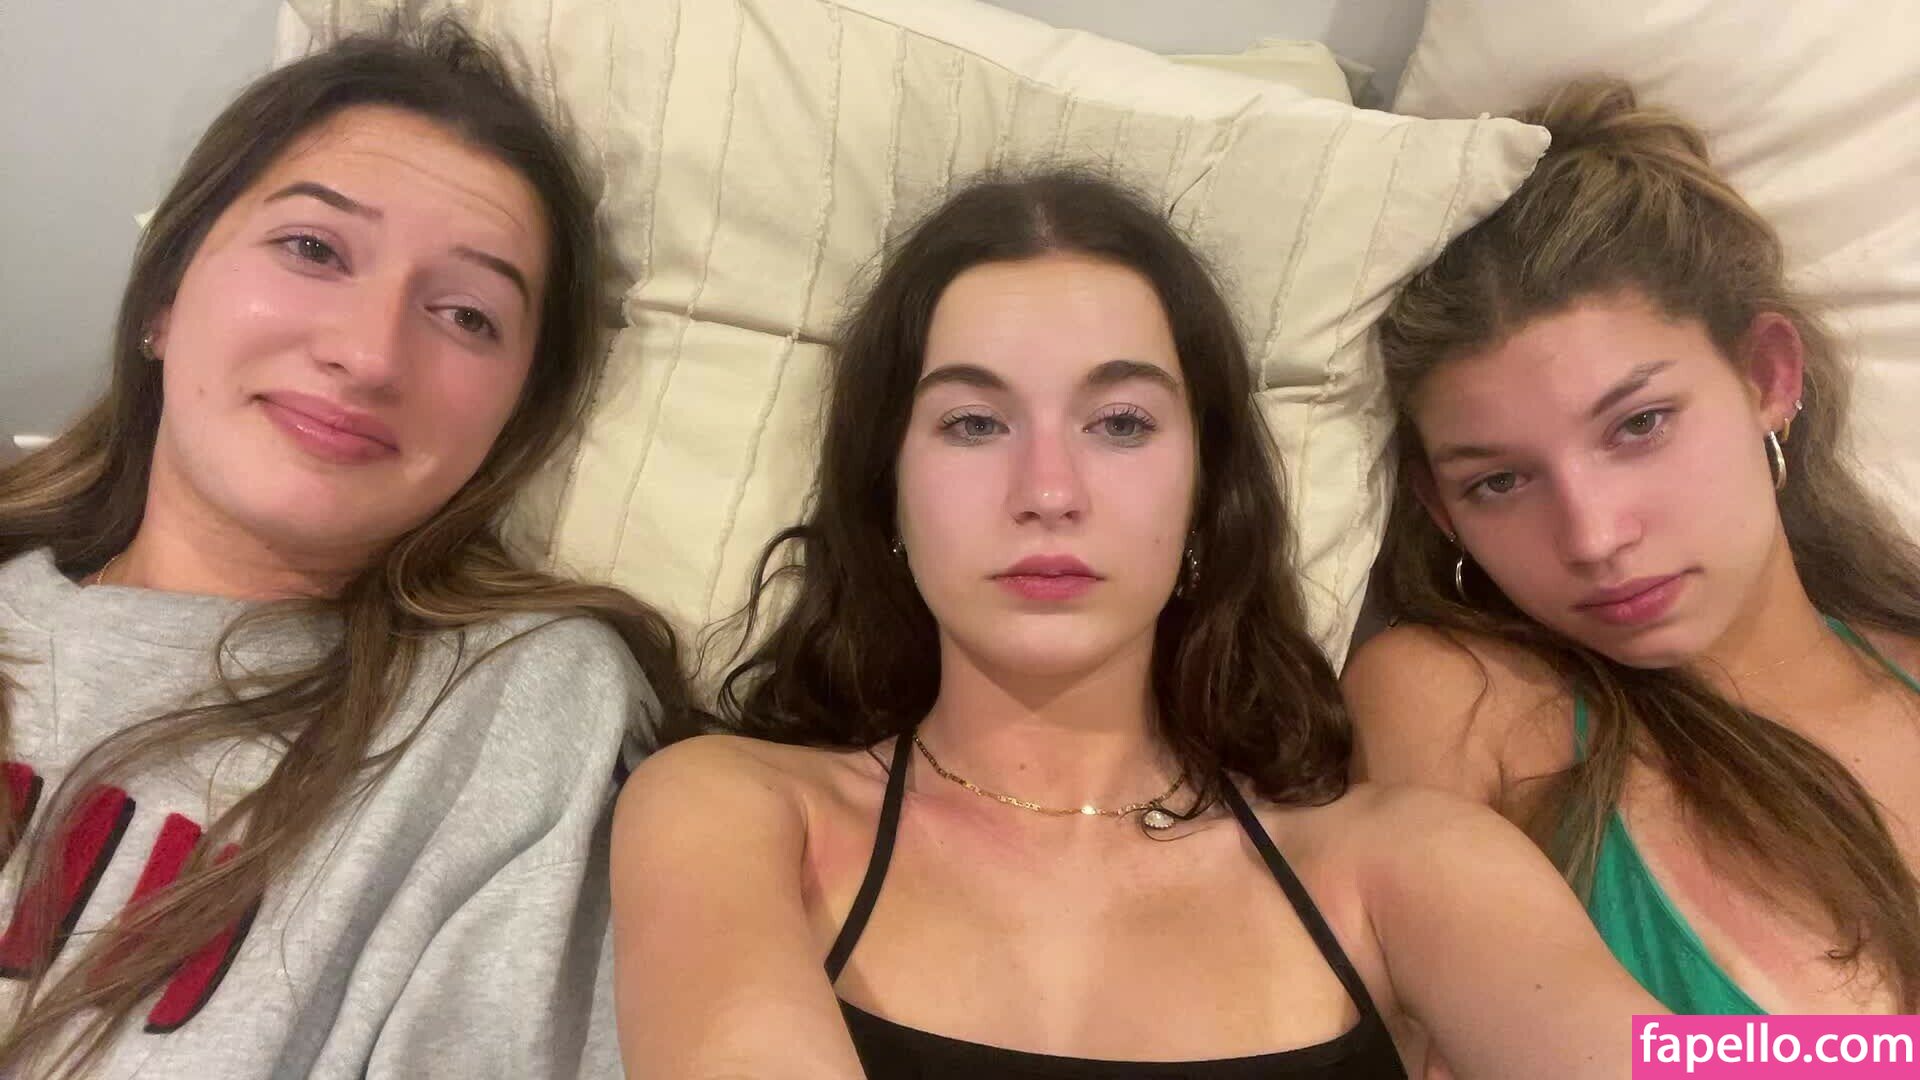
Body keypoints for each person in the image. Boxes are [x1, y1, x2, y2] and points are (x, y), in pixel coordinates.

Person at [609, 168, 1661, 1080]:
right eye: (973, 423)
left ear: (1205, 493)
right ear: (886, 491)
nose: (1048, 491)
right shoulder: (731, 813)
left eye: (1120, 423)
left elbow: (1677, 1057)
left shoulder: (1398, 864)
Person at [0, 20, 691, 1079]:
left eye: (467, 315)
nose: (369, 355)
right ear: (163, 300)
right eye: (314, 250)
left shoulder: (512, 707)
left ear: (513, 418)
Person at [1343, 78, 1920, 1021]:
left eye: (1640, 424)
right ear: (1439, 509)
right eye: (1500, 482)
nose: (1593, 536)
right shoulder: (1462, 702)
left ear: (1768, 378)